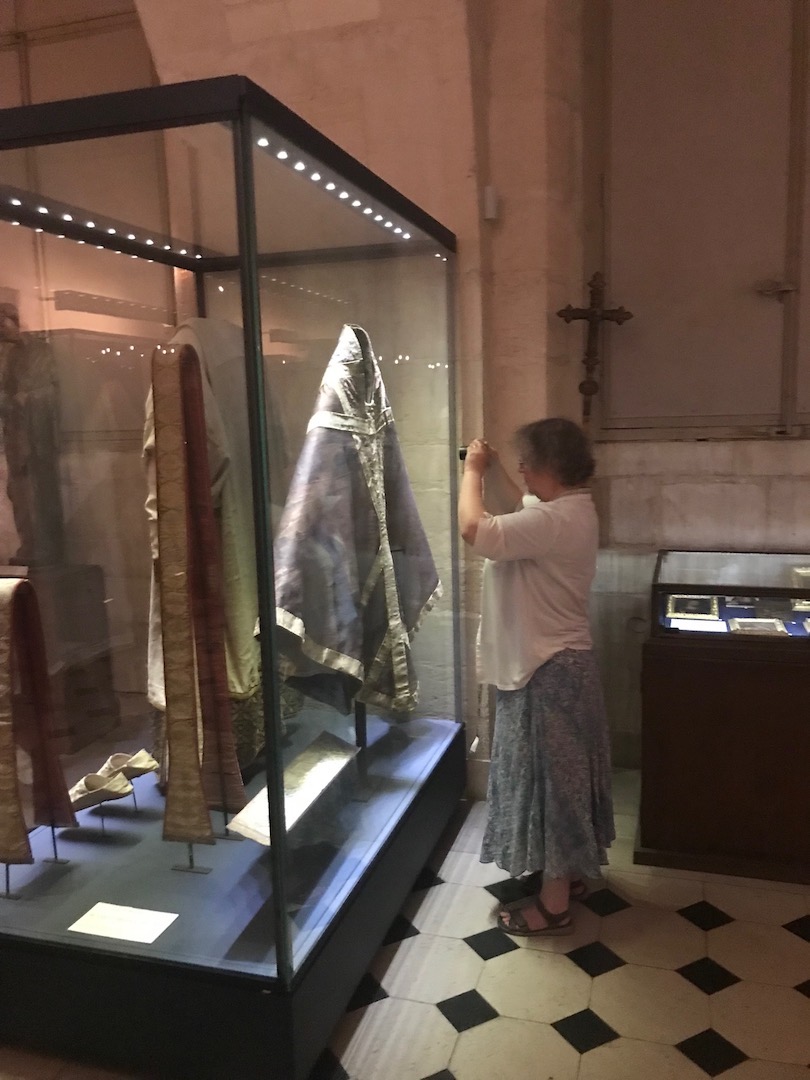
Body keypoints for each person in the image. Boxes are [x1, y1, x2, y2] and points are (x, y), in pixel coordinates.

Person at [458, 417, 614, 937]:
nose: (521, 471)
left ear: (548, 466)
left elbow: (474, 529)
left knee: (552, 790)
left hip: (549, 673)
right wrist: (501, 469)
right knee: (561, 785)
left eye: (526, 462)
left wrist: (473, 472)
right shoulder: (565, 510)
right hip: (558, 669)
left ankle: (552, 906)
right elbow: (518, 504)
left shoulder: (554, 521)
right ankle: (564, 877)